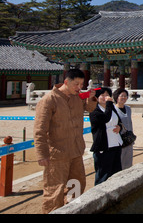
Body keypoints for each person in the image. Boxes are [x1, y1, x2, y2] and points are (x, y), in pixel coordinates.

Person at [33, 69, 97, 214]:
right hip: (57, 154)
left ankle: (74, 210)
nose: (79, 87)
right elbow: (39, 130)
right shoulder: (49, 100)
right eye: (76, 84)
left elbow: (90, 109)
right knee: (54, 190)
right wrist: (42, 154)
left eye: (81, 84)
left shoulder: (77, 98)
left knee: (77, 185)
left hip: (76, 150)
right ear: (66, 82)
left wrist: (90, 98)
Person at [89, 87, 123, 185]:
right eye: (102, 95)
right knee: (103, 174)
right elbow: (105, 119)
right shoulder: (94, 111)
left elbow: (118, 120)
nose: (105, 97)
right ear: (96, 97)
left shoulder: (111, 108)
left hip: (116, 143)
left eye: (107, 95)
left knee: (116, 172)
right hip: (103, 146)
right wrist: (109, 104)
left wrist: (119, 127)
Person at [112, 88, 134, 169]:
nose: (124, 98)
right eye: (122, 96)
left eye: (125, 96)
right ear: (116, 97)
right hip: (118, 139)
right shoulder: (113, 109)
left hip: (128, 138)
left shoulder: (128, 108)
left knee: (128, 160)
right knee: (119, 160)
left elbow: (130, 123)